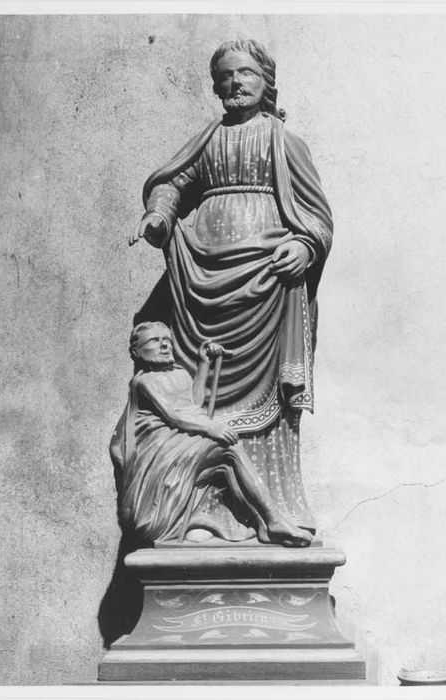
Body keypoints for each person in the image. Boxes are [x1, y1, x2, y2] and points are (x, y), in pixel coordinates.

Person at [128, 39, 333, 542]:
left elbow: (318, 214)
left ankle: (278, 507)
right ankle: (204, 511)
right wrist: (159, 214)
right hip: (204, 282)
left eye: (245, 73)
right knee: (204, 397)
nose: (235, 83)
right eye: (225, 76)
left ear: (266, 81)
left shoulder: (284, 142)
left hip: (267, 281)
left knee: (270, 404)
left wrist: (305, 245)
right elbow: (173, 183)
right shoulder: (208, 140)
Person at [110, 322, 312, 547]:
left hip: (179, 445)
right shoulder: (145, 382)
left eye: (166, 340)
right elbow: (175, 416)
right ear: (136, 352)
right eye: (154, 341)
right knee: (229, 450)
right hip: (161, 453)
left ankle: (264, 523)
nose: (164, 345)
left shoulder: (180, 373)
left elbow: (193, 404)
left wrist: (204, 364)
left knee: (228, 463)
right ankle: (273, 520)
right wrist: (211, 428)